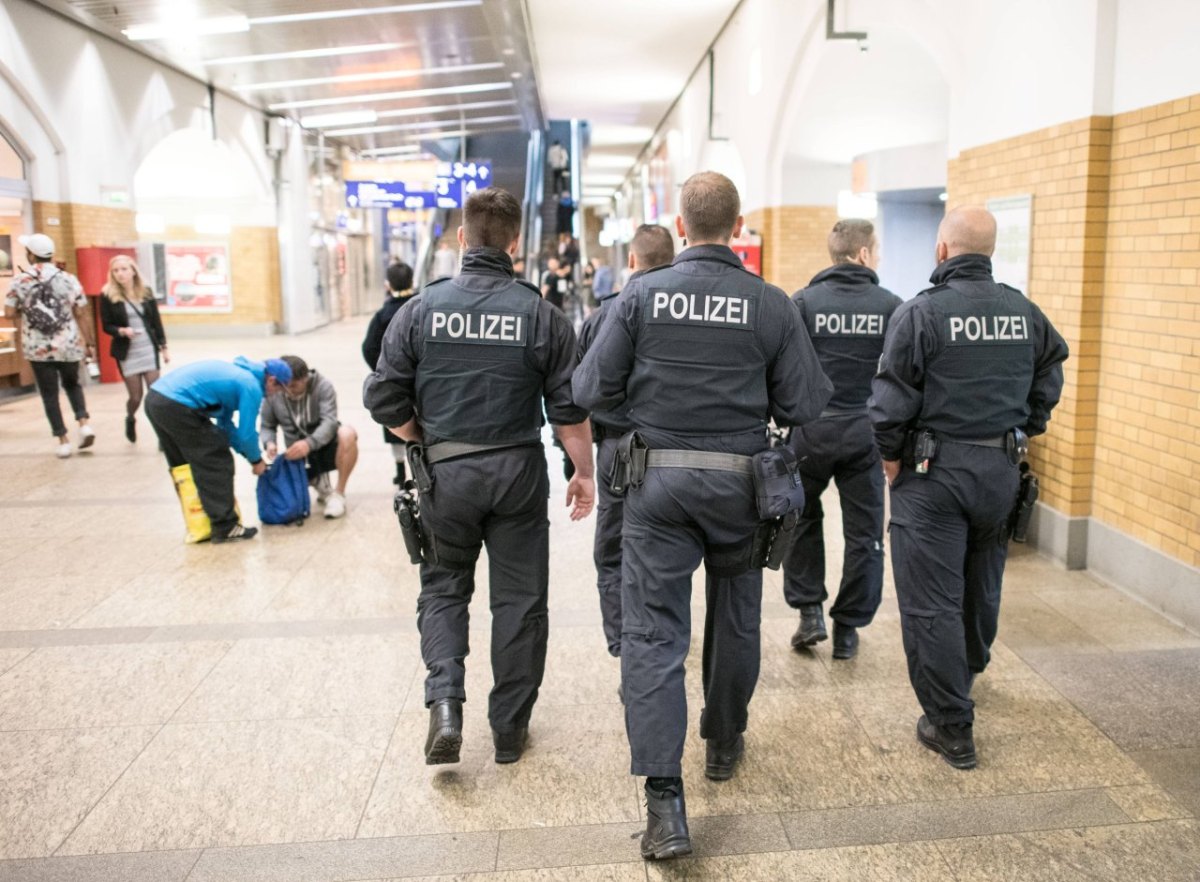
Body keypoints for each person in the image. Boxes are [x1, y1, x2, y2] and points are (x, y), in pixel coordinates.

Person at [573, 172, 832, 860]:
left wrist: (651, 419)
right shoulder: (771, 304)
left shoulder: (640, 297)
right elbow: (806, 402)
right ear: (737, 225)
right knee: (736, 612)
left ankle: (665, 804)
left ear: (682, 228)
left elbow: (591, 388)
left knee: (655, 637)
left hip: (657, 489)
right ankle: (722, 740)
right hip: (741, 487)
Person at [364, 187, 595, 768]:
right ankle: (510, 730)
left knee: (444, 588)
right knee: (520, 602)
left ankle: (445, 702)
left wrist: (423, 439)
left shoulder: (420, 309)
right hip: (517, 471)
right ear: (516, 243)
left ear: (461, 239)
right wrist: (583, 471)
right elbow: (568, 411)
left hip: (446, 475)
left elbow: (384, 397)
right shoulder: (542, 314)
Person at [869, 205, 1068, 770]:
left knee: (931, 600)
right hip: (999, 470)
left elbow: (889, 401)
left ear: (942, 251)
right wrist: (1028, 423)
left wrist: (889, 457)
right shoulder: (1022, 311)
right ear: (989, 252)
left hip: (933, 477)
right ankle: (969, 670)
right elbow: (1052, 366)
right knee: (983, 582)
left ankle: (951, 726)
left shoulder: (922, 314)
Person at [784, 219, 902, 660]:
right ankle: (848, 628)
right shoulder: (892, 307)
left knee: (800, 521)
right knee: (865, 533)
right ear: (865, 254)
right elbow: (901, 378)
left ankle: (809, 611)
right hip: (865, 434)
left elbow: (785, 372)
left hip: (809, 432)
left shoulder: (804, 303)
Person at [577, 224, 675, 665]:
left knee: (613, 550)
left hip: (616, 449)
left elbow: (579, 392)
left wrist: (576, 464)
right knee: (667, 546)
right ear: (673, 260)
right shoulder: (683, 311)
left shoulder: (602, 316)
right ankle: (662, 634)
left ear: (631, 261)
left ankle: (623, 645)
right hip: (674, 449)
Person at [146, 356, 294, 543]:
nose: (275, 394)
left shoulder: (239, 376)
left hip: (156, 400)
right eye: (280, 389)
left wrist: (248, 456)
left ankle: (199, 524)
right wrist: (256, 460)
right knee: (216, 459)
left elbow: (226, 426)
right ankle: (225, 526)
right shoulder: (251, 387)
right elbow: (247, 433)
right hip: (176, 405)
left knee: (183, 464)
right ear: (271, 380)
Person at [3, 233, 96, 458]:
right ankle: (83, 424)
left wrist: (28, 310)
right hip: (68, 343)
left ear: (31, 254)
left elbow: (8, 312)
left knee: (49, 393)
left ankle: (62, 440)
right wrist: (89, 342)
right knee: (73, 385)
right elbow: (81, 311)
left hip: (37, 346)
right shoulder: (68, 279)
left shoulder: (20, 280)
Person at [260, 355, 358, 519]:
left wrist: (309, 443)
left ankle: (339, 493)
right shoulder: (275, 390)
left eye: (294, 386)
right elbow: (266, 425)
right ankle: (319, 484)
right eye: (286, 386)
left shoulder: (323, 386)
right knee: (288, 501)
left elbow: (330, 421)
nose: (289, 391)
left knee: (348, 433)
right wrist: (269, 442)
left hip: (324, 445)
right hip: (296, 454)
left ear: (306, 378)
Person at [99, 254, 169, 443]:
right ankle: (130, 418)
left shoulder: (145, 292)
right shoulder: (107, 295)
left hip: (148, 347)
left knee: (155, 394)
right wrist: (121, 331)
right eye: (116, 270)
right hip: (127, 351)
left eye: (124, 269)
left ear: (133, 271)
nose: (120, 274)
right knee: (136, 397)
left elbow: (156, 321)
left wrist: (163, 347)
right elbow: (106, 325)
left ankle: (162, 436)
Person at [362, 261, 417, 486]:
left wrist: (382, 369)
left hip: (395, 382)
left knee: (397, 422)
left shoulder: (383, 315)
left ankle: (399, 469)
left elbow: (368, 347)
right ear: (412, 281)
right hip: (422, 381)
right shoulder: (422, 305)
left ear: (387, 284)